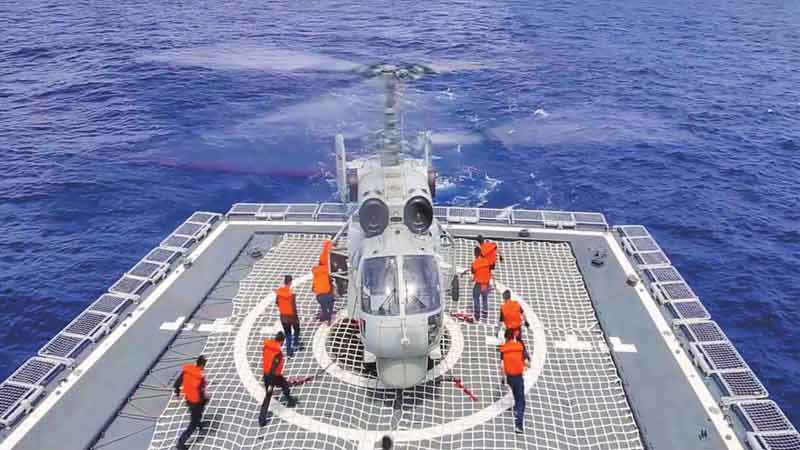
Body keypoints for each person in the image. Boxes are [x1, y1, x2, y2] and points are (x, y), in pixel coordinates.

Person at [258, 331, 298, 426]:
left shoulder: (267, 346)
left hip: (266, 374)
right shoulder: (278, 353)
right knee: (271, 394)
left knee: (283, 385)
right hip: (273, 377)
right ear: (282, 341)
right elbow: (274, 367)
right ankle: (262, 418)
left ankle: (289, 399)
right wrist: (274, 379)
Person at [173, 355, 209, 450]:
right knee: (192, 424)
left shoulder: (187, 370)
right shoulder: (199, 377)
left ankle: (198, 423)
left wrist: (177, 391)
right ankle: (180, 444)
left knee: (199, 413)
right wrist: (204, 399)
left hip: (189, 400)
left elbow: (177, 383)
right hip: (195, 402)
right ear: (202, 365)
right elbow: (200, 391)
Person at [500, 328, 530, 433]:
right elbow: (527, 363)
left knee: (515, 392)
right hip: (518, 377)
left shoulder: (504, 349)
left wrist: (503, 378)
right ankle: (519, 425)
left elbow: (502, 366)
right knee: (520, 400)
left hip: (509, 378)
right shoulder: (520, 347)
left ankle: (516, 409)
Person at [275, 275, 301, 357]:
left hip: (283, 317)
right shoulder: (291, 295)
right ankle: (296, 343)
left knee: (288, 334)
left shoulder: (279, 293)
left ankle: (289, 351)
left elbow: (277, 303)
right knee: (297, 329)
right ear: (290, 282)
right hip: (291, 316)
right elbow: (293, 308)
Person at [470, 246, 492, 322]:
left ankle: (477, 314)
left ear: (475, 253)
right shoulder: (487, 261)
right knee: (485, 298)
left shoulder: (475, 262)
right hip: (486, 284)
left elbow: (473, 271)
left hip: (479, 284)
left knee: (476, 297)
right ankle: (485, 313)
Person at [312, 259, 334, 325]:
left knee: (323, 307)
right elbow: (331, 283)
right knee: (330, 305)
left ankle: (326, 317)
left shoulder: (315, 274)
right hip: (328, 295)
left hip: (320, 297)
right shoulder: (327, 272)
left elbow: (313, 288)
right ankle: (329, 318)